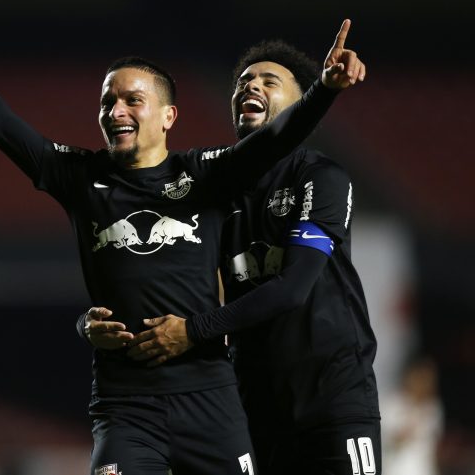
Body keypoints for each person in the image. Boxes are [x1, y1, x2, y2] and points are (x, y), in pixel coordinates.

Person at [0, 0, 363, 475]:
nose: (115, 110)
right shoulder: (78, 176)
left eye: (132, 100)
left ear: (168, 116)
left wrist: (324, 90)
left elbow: (273, 138)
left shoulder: (205, 176)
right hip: (126, 406)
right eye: (107, 102)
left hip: (211, 402)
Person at [83, 40, 380, 474]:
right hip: (251, 405)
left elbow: (293, 288)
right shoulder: (211, 189)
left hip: (332, 401)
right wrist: (88, 321)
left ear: (302, 106)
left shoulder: (320, 177)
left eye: (267, 80)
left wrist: (195, 330)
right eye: (242, 82)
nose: (249, 87)